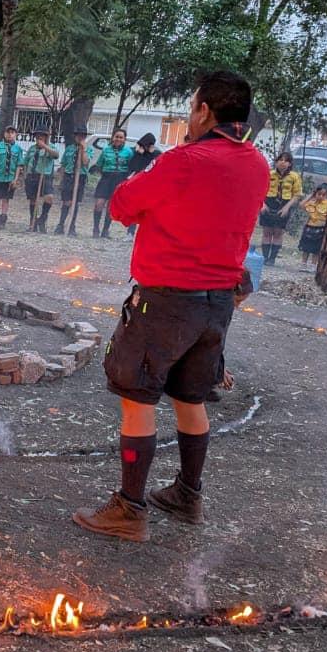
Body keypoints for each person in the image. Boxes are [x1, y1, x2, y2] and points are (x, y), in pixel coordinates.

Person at [73, 71, 268, 543]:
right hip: (217, 305)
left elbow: (122, 204)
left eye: (191, 106)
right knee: (190, 397)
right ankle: (187, 493)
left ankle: (129, 508)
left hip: (165, 300)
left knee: (138, 397)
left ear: (204, 111)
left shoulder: (183, 161)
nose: (188, 114)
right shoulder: (257, 165)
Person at [257, 152, 303, 266]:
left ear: (290, 164)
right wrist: (262, 204)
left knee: (278, 233)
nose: (283, 162)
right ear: (276, 162)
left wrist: (287, 207)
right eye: (280, 160)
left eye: (286, 160)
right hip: (268, 202)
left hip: (284, 204)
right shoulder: (269, 173)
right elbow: (258, 189)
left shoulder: (294, 176)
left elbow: (297, 194)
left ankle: (272, 259)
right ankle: (265, 257)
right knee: (267, 232)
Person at [92, 128, 134, 238]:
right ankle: (95, 228)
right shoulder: (106, 150)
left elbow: (131, 167)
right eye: (117, 137)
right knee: (99, 204)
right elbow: (99, 165)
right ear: (112, 138)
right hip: (106, 178)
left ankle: (105, 230)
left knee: (111, 207)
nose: (118, 139)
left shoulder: (129, 152)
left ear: (124, 139)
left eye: (121, 137)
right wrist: (105, 174)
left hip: (119, 180)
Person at [54, 127, 91, 236]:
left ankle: (71, 226)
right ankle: (61, 224)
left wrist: (83, 149)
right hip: (68, 176)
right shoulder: (69, 149)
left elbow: (85, 162)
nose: (80, 138)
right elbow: (64, 165)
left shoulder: (88, 149)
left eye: (83, 136)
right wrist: (61, 180)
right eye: (78, 135)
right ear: (75, 136)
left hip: (80, 177)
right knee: (66, 201)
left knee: (75, 203)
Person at [22, 128, 59, 232]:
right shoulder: (32, 148)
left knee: (49, 198)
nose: (39, 137)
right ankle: (32, 222)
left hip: (45, 176)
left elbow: (56, 155)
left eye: (42, 135)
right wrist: (25, 175)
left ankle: (42, 219)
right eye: (37, 135)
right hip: (32, 176)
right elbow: (25, 162)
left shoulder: (51, 147)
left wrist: (45, 147)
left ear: (46, 137)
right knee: (33, 200)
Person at [0, 125, 21, 231]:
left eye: (12, 133)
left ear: (16, 135)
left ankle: (3, 219)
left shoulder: (18, 149)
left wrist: (15, 179)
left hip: (10, 178)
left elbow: (19, 165)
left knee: (6, 199)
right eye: (8, 132)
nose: (10, 135)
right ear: (4, 134)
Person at [125, 133, 159, 238]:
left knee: (149, 211)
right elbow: (133, 167)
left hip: (151, 186)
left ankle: (149, 234)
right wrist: (139, 154)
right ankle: (130, 232)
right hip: (139, 184)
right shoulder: (138, 153)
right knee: (135, 209)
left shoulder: (157, 154)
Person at [296, 183, 327, 271]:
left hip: (321, 228)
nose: (321, 196)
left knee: (316, 249)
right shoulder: (311, 203)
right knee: (306, 247)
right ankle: (303, 264)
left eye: (324, 195)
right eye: (319, 194)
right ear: (316, 194)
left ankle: (313, 265)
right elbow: (301, 205)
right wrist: (311, 196)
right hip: (309, 227)